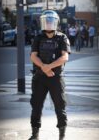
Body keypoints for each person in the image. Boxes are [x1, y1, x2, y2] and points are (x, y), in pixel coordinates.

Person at [29, 10, 71, 140]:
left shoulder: (62, 37)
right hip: (40, 77)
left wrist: (49, 67)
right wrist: (44, 67)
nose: (48, 23)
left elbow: (65, 57)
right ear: (43, 22)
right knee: (36, 105)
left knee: (60, 105)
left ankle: (61, 136)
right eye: (46, 21)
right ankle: (35, 135)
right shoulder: (38, 37)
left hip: (56, 77)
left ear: (56, 22)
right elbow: (33, 56)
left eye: (51, 21)